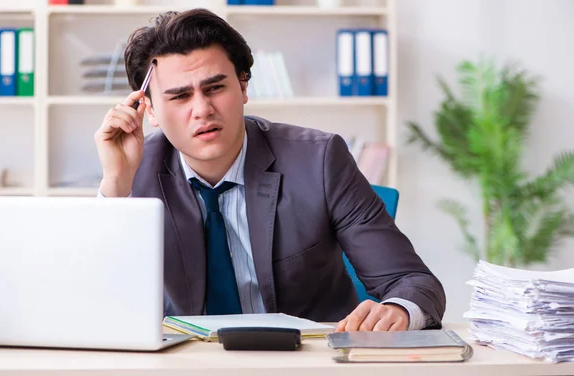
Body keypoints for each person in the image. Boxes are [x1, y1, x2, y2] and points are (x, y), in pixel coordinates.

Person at [93, 8, 446, 331]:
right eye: (180, 96)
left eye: (215, 88)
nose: (201, 109)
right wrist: (116, 188)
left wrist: (399, 310)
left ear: (243, 86)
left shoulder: (319, 160)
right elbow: (97, 301)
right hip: (186, 373)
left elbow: (413, 282)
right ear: (149, 110)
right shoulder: (134, 171)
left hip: (305, 368)